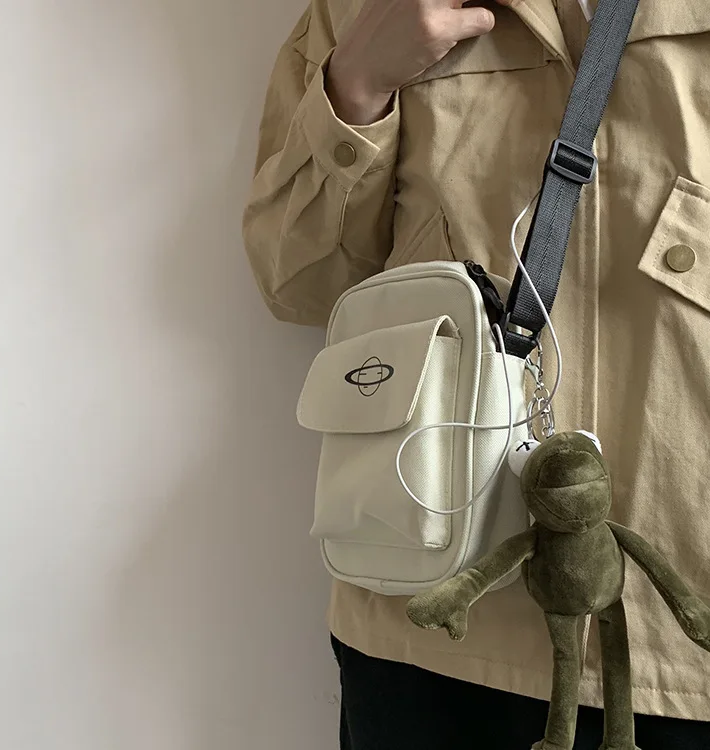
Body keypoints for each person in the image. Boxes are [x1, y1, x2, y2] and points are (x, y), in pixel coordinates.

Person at [242, 1, 710, 747]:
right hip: (433, 620)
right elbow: (299, 285)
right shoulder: (372, 8)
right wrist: (356, 85)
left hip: (682, 644)